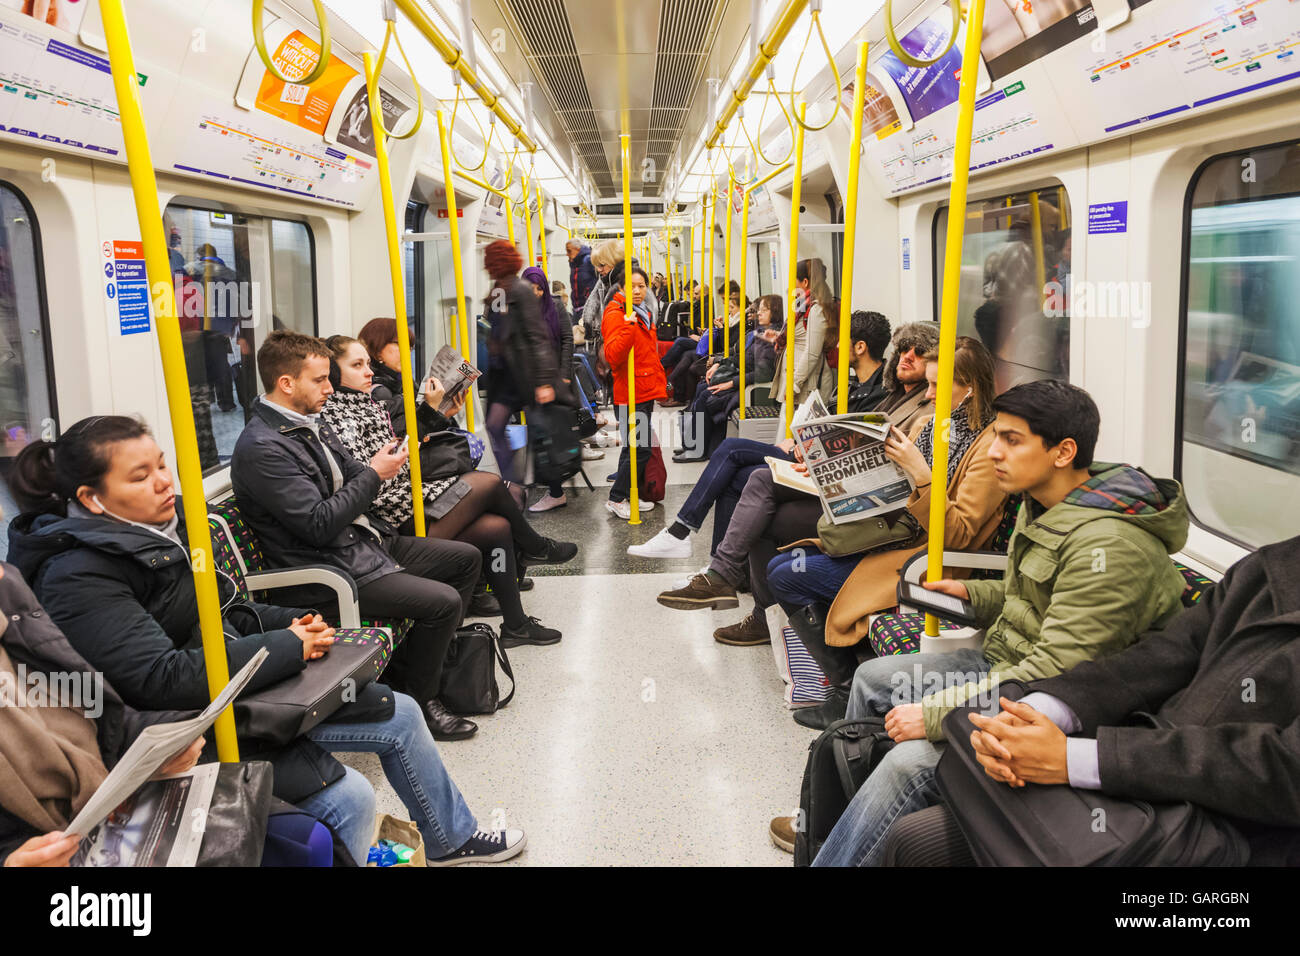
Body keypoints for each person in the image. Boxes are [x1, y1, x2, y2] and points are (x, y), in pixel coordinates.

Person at [6, 416, 526, 865]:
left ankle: (451, 838)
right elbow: (157, 678)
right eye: (141, 476)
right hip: (187, 727)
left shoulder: (163, 531)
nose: (165, 482)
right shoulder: (77, 575)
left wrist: (291, 621)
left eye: (163, 465)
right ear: (91, 499)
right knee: (350, 798)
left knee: (401, 713)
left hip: (241, 684)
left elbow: (224, 610)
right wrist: (286, 647)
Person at [809, 380, 1190, 866]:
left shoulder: (1110, 548)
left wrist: (932, 716)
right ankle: (841, 825)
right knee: (873, 678)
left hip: (1066, 709)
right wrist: (974, 593)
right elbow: (1028, 593)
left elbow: (1057, 674)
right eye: (995, 437)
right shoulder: (1048, 504)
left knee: (909, 764)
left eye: (1011, 440)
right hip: (1006, 662)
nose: (993, 453)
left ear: (1063, 451)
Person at [230, 330, 483, 741]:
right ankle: (421, 702)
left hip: (359, 542)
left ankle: (416, 672)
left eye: (330, 377)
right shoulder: (263, 448)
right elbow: (317, 523)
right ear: (286, 383)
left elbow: (352, 473)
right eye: (320, 380)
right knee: (442, 603)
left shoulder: (308, 423)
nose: (330, 388)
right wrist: (373, 474)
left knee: (465, 559)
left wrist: (383, 463)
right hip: (321, 570)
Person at [767, 338, 1004, 734]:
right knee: (781, 563)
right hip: (896, 537)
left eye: (936, 387)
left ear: (971, 389)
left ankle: (844, 690)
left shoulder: (987, 448)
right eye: (927, 385)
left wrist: (921, 473)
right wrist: (833, 472)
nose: (928, 396)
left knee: (786, 575)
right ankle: (841, 680)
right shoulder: (936, 428)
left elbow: (960, 535)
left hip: (932, 563)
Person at [651, 319, 933, 608]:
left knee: (743, 468)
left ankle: (722, 572)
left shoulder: (915, 406)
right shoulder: (887, 394)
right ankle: (721, 570)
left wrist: (817, 456)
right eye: (904, 349)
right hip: (829, 470)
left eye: (919, 352)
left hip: (868, 500)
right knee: (743, 473)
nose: (907, 356)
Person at [321, 335, 574, 648]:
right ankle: (535, 546)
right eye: (357, 365)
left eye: (368, 364)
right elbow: (377, 473)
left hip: (404, 497)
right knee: (492, 483)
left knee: (498, 527)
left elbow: (401, 446)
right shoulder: (339, 415)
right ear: (333, 373)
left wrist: (435, 416)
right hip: (390, 517)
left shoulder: (367, 404)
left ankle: (516, 624)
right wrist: (427, 415)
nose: (368, 372)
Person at [0, 561, 210, 868]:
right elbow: (161, 677)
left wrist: (165, 740)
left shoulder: (10, 599)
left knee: (298, 839)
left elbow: (100, 717)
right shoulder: (73, 572)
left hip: (113, 806)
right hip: (64, 845)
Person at [480, 241, 560, 486]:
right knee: (494, 427)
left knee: (540, 432)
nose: (486, 266)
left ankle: (543, 484)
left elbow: (538, 337)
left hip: (522, 373)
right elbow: (492, 326)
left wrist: (545, 381)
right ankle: (513, 482)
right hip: (502, 373)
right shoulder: (498, 290)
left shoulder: (522, 290)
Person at [603, 265, 666, 520]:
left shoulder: (642, 313)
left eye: (642, 286)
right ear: (621, 287)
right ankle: (617, 498)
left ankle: (629, 493)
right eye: (633, 286)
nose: (638, 291)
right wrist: (629, 327)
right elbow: (613, 356)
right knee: (638, 448)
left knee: (635, 446)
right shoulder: (616, 314)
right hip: (629, 391)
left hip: (644, 387)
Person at [522, 266, 577, 513]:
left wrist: (564, 376)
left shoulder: (555, 307)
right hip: (532, 382)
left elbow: (567, 340)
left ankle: (556, 491)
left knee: (552, 435)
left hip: (556, 381)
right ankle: (550, 485)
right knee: (541, 436)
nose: (534, 293)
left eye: (539, 289)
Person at [771, 258, 836, 417]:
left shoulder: (816, 310)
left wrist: (794, 385)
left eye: (793, 280)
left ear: (805, 282)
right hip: (799, 380)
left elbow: (812, 352)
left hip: (807, 384)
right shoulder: (802, 306)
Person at [566, 239, 597, 315]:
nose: (567, 254)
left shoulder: (588, 260)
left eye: (569, 251)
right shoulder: (574, 264)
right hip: (576, 306)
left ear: (577, 249)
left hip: (588, 306)